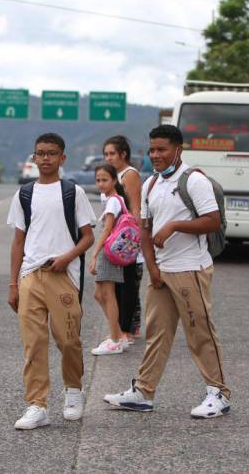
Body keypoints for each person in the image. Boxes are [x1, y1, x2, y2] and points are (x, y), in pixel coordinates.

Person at [103, 124, 232, 419]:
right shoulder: (151, 185)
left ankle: (219, 394)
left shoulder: (194, 181)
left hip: (190, 269)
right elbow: (145, 231)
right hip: (162, 272)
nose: (155, 155)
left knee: (200, 332)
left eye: (162, 149)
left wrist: (175, 226)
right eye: (151, 150)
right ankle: (143, 392)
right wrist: (153, 268)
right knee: (157, 334)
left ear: (178, 149)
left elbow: (212, 221)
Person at [7, 133, 97, 430]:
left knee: (68, 339)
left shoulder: (73, 192)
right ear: (34, 158)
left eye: (52, 153)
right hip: (30, 276)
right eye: (40, 153)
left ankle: (73, 390)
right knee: (33, 344)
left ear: (63, 158)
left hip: (63, 275)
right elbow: (18, 241)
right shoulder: (24, 194)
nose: (46, 158)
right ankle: (37, 405)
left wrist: (67, 257)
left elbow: (88, 236)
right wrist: (13, 284)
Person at [89, 164, 133, 356]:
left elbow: (107, 230)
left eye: (105, 180)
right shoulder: (114, 199)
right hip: (110, 251)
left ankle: (116, 340)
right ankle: (118, 335)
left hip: (109, 252)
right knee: (99, 295)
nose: (101, 184)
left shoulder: (114, 201)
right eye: (98, 180)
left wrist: (93, 254)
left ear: (114, 180)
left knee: (107, 294)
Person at [103, 135, 143, 341]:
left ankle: (125, 330)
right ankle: (122, 328)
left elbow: (135, 207)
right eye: (106, 154)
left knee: (128, 284)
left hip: (126, 238)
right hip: (113, 238)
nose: (108, 158)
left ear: (123, 154)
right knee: (116, 284)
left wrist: (134, 240)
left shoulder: (129, 175)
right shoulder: (111, 175)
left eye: (112, 154)